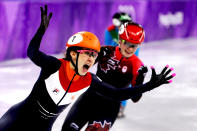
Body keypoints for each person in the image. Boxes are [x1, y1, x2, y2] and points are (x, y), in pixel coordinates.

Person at [0, 5, 175, 131]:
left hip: (47, 125)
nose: (91, 59)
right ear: (74, 54)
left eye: (94, 55)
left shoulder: (88, 80)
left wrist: (149, 84)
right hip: (18, 118)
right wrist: (40, 31)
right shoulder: (54, 66)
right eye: (88, 54)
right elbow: (32, 52)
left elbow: (117, 94)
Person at [61, 22, 176, 131]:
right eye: (127, 43)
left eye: (134, 46)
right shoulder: (106, 51)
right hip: (87, 101)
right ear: (120, 40)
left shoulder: (137, 66)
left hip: (108, 109)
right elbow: (79, 69)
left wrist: (142, 82)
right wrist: (73, 56)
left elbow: (135, 99)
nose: (130, 49)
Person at [105, 12, 140, 118]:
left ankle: (121, 107)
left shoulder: (134, 32)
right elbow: (107, 46)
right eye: (121, 24)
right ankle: (108, 104)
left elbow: (135, 51)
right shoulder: (110, 31)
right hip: (113, 59)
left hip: (128, 60)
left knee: (126, 84)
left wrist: (132, 63)